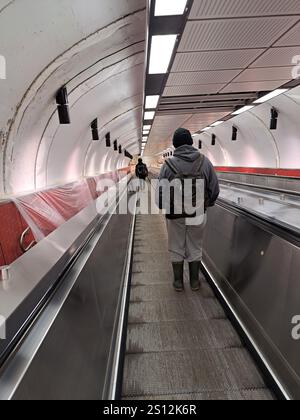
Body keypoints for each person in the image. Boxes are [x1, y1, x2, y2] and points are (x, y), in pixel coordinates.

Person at [156, 128, 219, 292]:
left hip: (175, 214)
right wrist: (207, 204)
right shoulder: (205, 161)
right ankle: (194, 282)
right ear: (191, 142)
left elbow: (160, 194)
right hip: (198, 213)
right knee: (195, 246)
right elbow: (214, 188)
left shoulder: (167, 165)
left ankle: (178, 282)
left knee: (176, 245)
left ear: (175, 145)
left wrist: (164, 206)